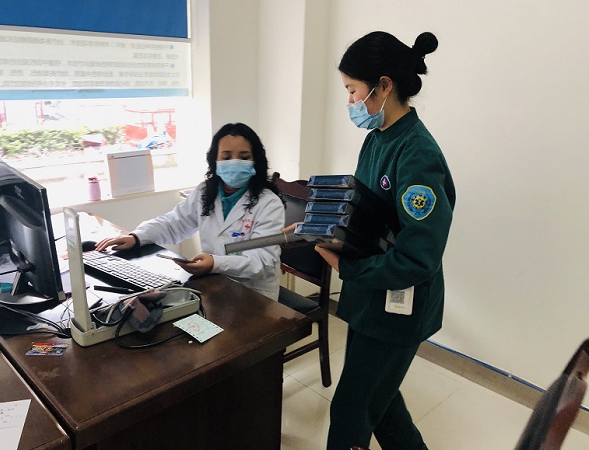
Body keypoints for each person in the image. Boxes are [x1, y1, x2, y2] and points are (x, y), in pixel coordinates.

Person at [319, 31, 456, 449]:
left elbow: (418, 258)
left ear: (383, 86)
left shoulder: (418, 154)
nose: (349, 102)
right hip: (371, 299)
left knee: (351, 410)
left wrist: (347, 267)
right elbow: (365, 213)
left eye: (352, 90)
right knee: (381, 404)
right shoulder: (377, 138)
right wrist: (317, 222)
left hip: (398, 308)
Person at [95, 122, 285, 300]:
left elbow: (262, 262)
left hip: (254, 295)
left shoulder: (268, 204)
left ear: (255, 161)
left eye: (244, 157)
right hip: (214, 284)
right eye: (226, 157)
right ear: (215, 160)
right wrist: (137, 237)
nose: (234, 163)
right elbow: (174, 223)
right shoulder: (205, 191)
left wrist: (215, 263)